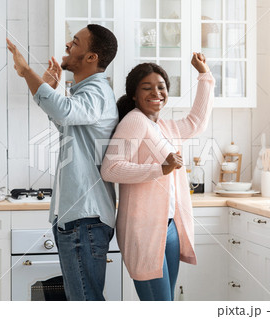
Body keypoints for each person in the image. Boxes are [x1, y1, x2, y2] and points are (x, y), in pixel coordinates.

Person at [7, 24, 118, 301]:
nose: (68, 45)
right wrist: (50, 89)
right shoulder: (87, 92)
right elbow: (67, 124)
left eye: (76, 42)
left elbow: (65, 112)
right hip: (78, 218)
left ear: (92, 57)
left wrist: (28, 73)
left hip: (85, 219)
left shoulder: (97, 91)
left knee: (84, 301)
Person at [101, 53, 214, 301]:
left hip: (169, 228)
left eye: (161, 87)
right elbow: (110, 168)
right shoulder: (134, 121)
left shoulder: (163, 126)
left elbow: (197, 122)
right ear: (134, 94)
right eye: (147, 87)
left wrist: (205, 76)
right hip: (143, 230)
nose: (156, 92)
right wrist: (159, 169)